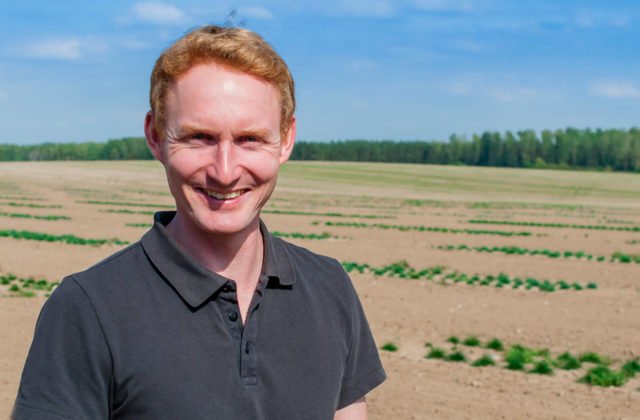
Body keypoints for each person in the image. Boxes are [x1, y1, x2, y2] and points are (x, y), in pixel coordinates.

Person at [12, 25, 385, 419]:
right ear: (155, 136)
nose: (224, 172)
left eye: (249, 139)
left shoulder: (330, 288)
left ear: (286, 139)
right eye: (199, 137)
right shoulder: (88, 309)